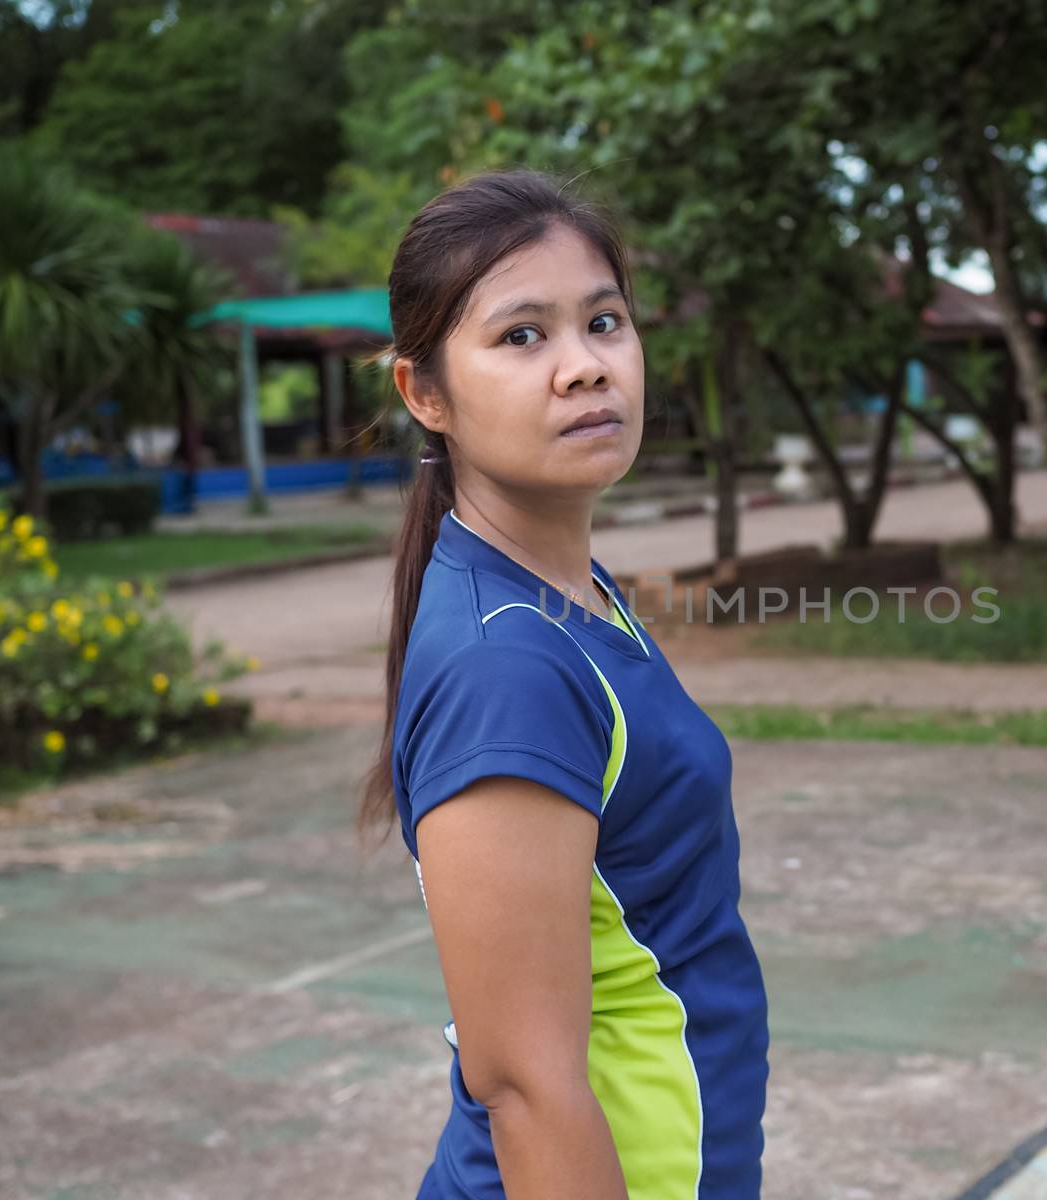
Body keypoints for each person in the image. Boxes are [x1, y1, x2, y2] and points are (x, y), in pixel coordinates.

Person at [358, 169, 770, 1199]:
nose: (585, 367)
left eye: (604, 321)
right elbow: (527, 1088)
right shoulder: (508, 667)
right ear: (424, 394)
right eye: (522, 336)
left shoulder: (569, 590)